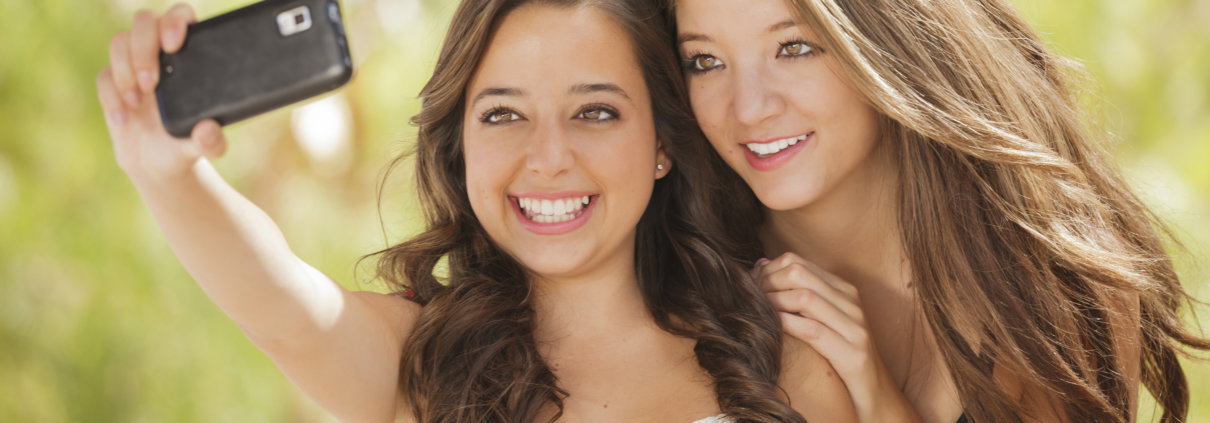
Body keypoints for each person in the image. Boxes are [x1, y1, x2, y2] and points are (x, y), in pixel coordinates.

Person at [95, 0, 859, 421]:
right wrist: (164, 172)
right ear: (460, 147)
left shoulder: (777, 355)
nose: (548, 156)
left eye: (595, 112)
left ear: (662, 143)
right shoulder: (422, 361)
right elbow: (285, 311)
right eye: (503, 114)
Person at [668, 0, 1210, 422]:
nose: (748, 108)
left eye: (793, 48)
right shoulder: (673, 296)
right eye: (705, 61)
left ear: (888, 46)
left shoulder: (1057, 288)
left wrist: (879, 399)